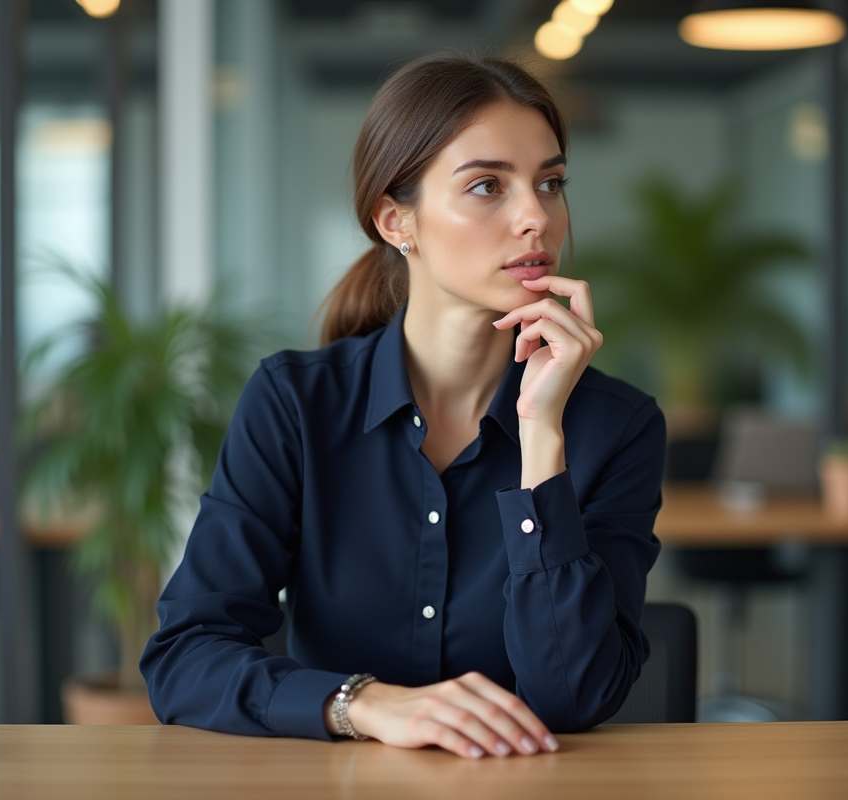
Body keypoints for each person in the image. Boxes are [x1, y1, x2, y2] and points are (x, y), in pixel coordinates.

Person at [141, 53, 665, 759]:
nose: (536, 216)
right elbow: (185, 657)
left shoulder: (616, 427)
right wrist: (366, 704)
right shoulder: (296, 403)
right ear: (396, 221)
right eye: (487, 185)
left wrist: (542, 439)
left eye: (551, 183)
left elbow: (572, 697)